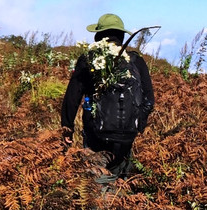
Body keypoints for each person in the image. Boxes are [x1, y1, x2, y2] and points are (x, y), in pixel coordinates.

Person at [61, 13, 154, 182]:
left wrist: (67, 128)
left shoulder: (88, 60)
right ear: (121, 35)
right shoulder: (136, 61)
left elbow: (72, 98)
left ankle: (101, 203)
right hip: (126, 137)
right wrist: (135, 125)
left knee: (94, 187)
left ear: (99, 35)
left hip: (96, 136)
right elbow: (149, 100)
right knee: (120, 184)